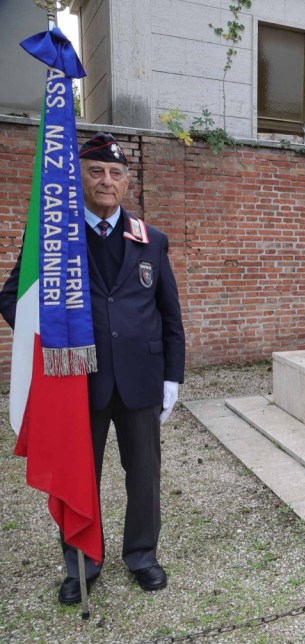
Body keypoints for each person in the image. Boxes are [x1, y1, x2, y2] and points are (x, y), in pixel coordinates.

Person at [0, 132, 185, 604]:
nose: (107, 181)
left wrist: (172, 378)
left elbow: (169, 316)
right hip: (77, 382)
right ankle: (82, 561)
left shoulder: (151, 240)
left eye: (116, 173)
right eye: (96, 171)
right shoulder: (53, 240)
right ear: (80, 178)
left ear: (128, 183)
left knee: (144, 475)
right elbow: (11, 298)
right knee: (78, 475)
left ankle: (142, 556)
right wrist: (50, 333)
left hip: (140, 381)